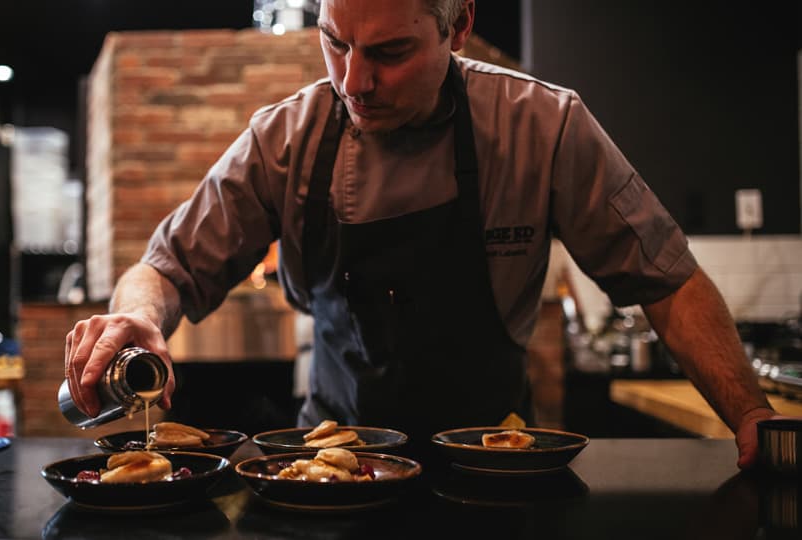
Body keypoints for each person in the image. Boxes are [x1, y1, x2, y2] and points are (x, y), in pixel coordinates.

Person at [64, 0, 779, 467]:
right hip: (331, 467)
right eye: (335, 43)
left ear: (459, 26)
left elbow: (667, 278)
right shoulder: (288, 138)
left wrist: (752, 416)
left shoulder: (543, 128)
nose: (353, 82)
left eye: (390, 53)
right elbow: (168, 265)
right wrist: (136, 315)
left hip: (494, 464)